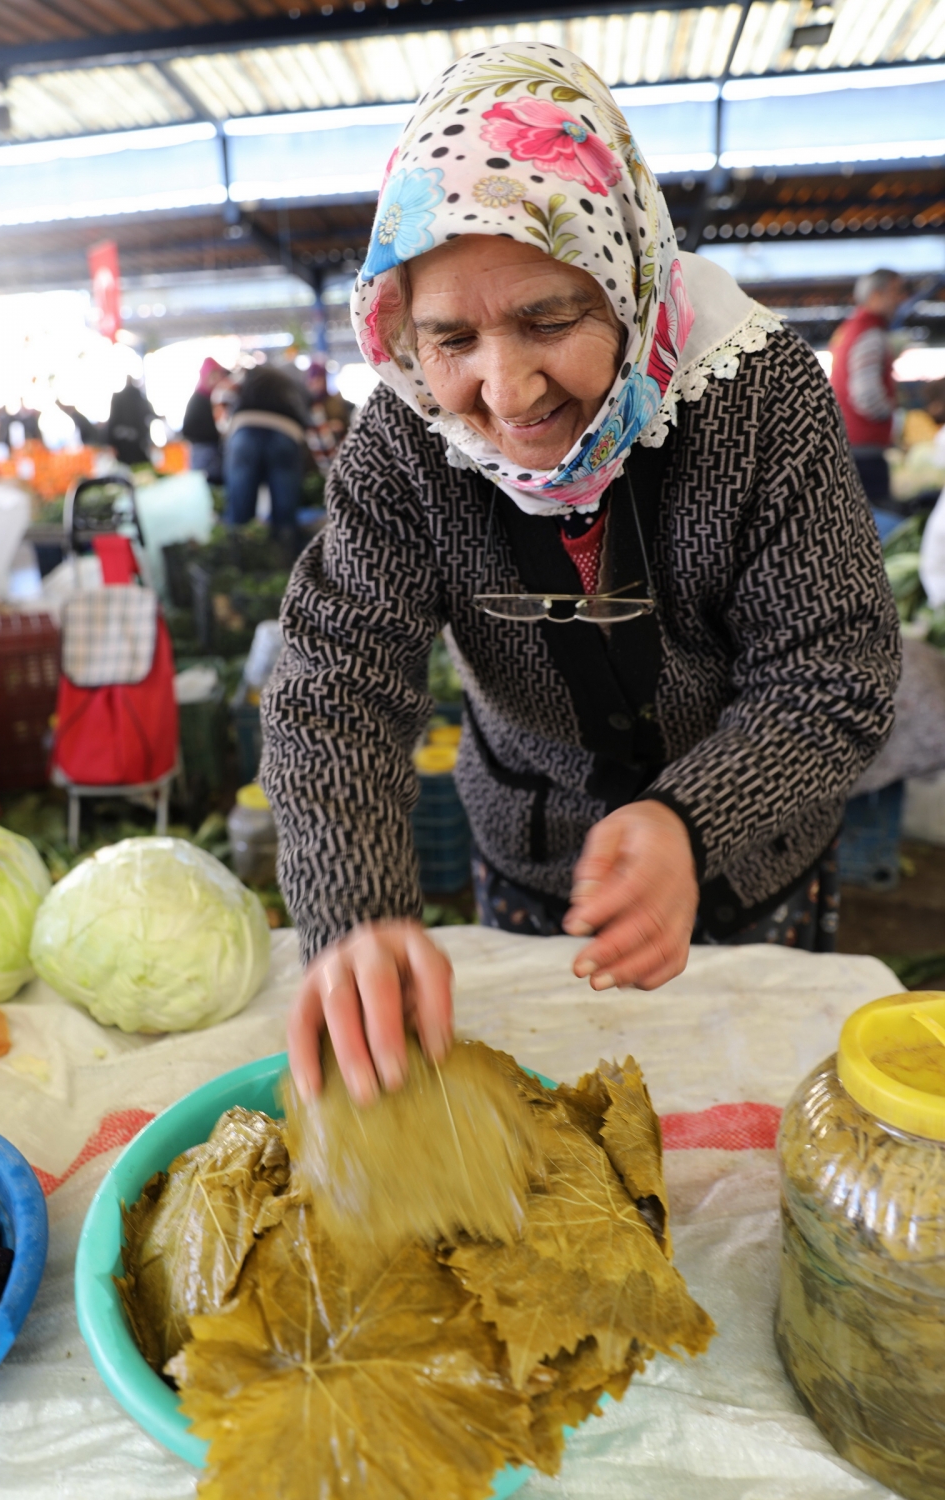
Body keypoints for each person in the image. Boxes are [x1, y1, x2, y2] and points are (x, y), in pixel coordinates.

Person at [260, 44, 901, 1106]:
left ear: (627, 276)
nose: (504, 393)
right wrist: (355, 914)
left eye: (551, 319)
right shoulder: (405, 438)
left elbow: (833, 673)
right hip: (533, 866)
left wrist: (690, 819)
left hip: (749, 862)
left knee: (734, 1124)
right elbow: (334, 684)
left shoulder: (757, 393)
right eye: (449, 338)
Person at [830, 269, 907, 540]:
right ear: (876, 295)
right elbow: (865, 394)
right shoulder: (869, 334)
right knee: (875, 531)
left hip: (850, 443)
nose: (901, 298)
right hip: (864, 450)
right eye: (896, 291)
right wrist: (892, 414)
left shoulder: (848, 330)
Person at [223, 361, 311, 558]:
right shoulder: (295, 381)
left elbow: (224, 394)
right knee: (285, 509)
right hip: (286, 430)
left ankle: (237, 562)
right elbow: (311, 417)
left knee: (239, 508)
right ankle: (287, 564)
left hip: (244, 428)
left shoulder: (252, 374)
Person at [58, 377, 156, 466]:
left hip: (127, 445)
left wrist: (109, 441)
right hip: (132, 444)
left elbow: (112, 422)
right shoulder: (129, 396)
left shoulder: (122, 397)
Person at [182, 357, 228, 483]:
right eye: (212, 376)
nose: (215, 380)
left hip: (217, 455)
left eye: (217, 375)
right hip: (203, 455)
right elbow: (187, 430)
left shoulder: (218, 397)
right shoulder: (198, 399)